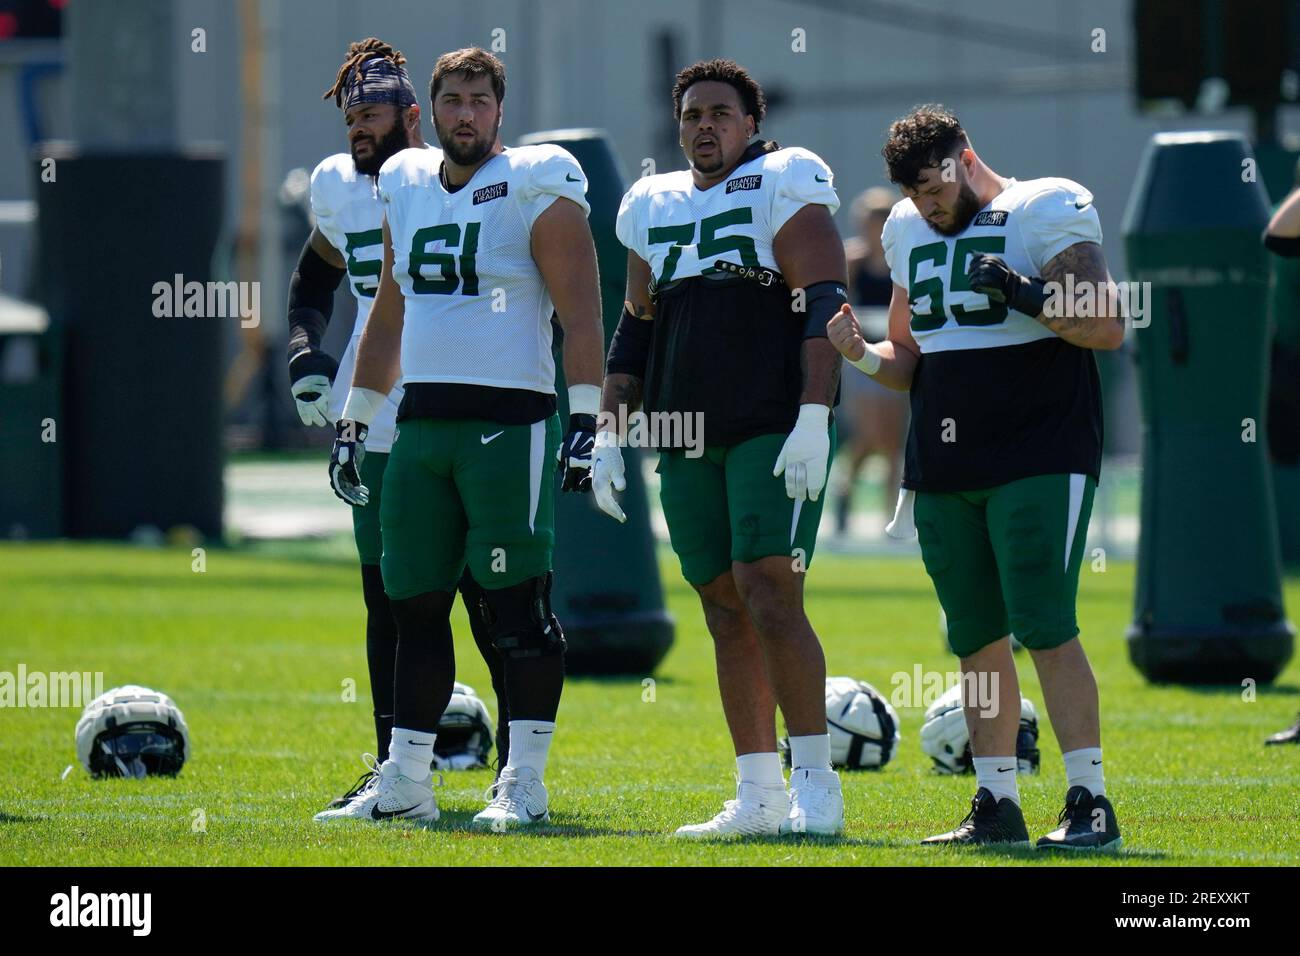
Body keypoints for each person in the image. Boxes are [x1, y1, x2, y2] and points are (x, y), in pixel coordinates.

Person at [316, 47, 605, 829]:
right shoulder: (406, 182)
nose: (465, 113)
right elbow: (390, 310)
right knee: (411, 605)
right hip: (420, 426)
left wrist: (587, 421)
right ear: (431, 109)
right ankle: (407, 780)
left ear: (499, 108)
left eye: (480, 99)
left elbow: (582, 312)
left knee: (516, 608)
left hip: (508, 424)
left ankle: (525, 782)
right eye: (452, 99)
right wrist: (357, 416)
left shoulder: (535, 179)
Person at [829, 104, 1125, 849]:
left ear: (964, 156)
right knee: (975, 637)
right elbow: (907, 359)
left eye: (935, 186)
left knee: (1046, 626)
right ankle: (996, 805)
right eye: (916, 194)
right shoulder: (903, 228)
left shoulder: (1044, 205)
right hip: (943, 462)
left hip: (1039, 452)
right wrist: (859, 353)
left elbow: (1108, 324)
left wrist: (1026, 293)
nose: (928, 205)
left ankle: (1089, 802)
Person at [591, 58, 846, 837]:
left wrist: (814, 414)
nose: (706, 125)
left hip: (771, 417)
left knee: (769, 590)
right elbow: (635, 324)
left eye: (721, 113)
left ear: (751, 124)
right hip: (683, 427)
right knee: (721, 604)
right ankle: (759, 794)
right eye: (693, 113)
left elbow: (825, 303)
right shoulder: (650, 202)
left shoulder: (785, 180)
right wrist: (607, 432)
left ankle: (818, 788)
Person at [285, 38, 508, 811]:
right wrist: (306, 353)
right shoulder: (340, 187)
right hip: (372, 413)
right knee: (389, 594)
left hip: (468, 398)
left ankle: (516, 772)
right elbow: (317, 267)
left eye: (371, 111)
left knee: (491, 593)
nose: (357, 126)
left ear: (412, 115)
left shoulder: (462, 176)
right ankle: (391, 768)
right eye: (350, 113)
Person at [833, 187, 908, 534]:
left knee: (892, 442)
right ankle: (843, 492)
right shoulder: (852, 261)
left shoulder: (902, 262)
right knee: (870, 435)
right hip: (861, 359)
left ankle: (891, 521)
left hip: (896, 354)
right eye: (869, 224)